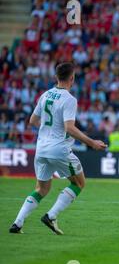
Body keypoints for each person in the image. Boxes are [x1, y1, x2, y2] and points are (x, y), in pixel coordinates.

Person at [9, 62, 107, 234]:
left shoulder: (45, 95)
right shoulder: (69, 99)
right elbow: (69, 128)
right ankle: (51, 216)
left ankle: (17, 223)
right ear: (72, 78)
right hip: (59, 149)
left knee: (41, 188)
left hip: (41, 148)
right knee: (79, 183)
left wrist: (49, 130)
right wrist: (92, 143)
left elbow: (32, 121)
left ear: (56, 77)